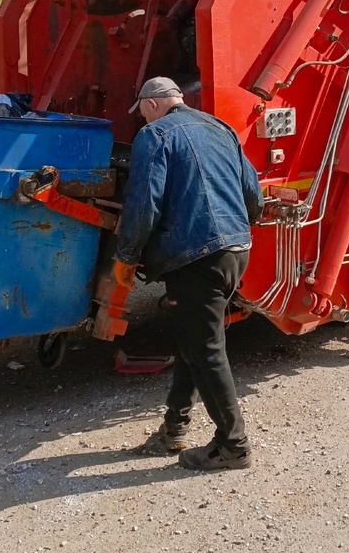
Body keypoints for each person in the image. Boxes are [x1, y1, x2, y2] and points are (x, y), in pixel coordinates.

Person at [115, 76, 263, 471]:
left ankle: (233, 446)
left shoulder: (154, 135)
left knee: (207, 350)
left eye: (142, 112)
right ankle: (174, 428)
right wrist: (236, 229)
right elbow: (253, 193)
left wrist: (127, 256)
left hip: (196, 258)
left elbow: (144, 203)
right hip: (236, 250)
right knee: (192, 339)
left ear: (150, 105)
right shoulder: (220, 127)